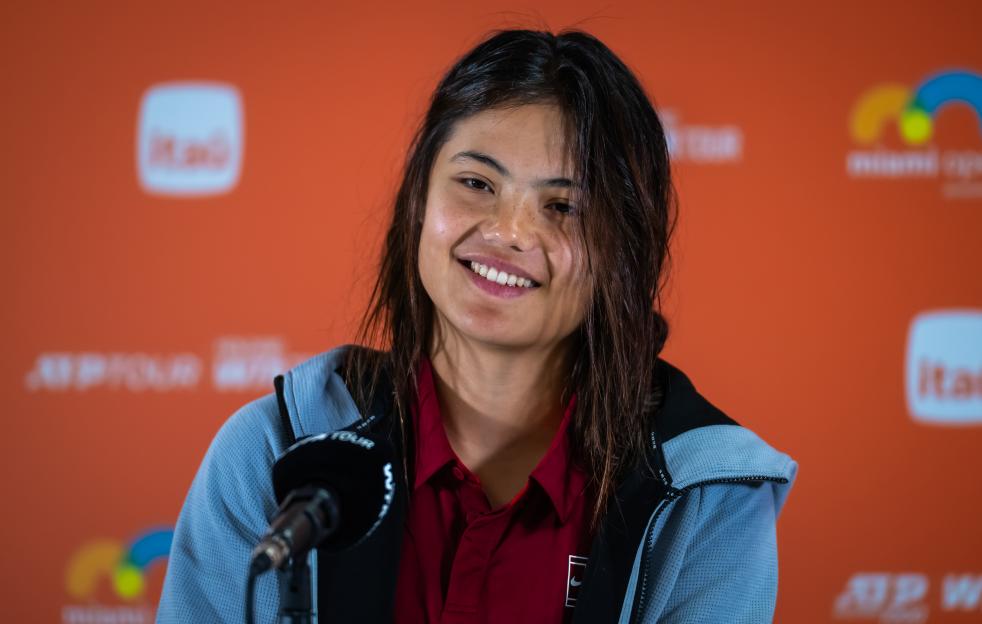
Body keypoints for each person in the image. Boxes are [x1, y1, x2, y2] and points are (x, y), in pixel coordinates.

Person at [157, 28, 798, 624]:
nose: (509, 233)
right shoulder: (275, 456)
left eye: (563, 206)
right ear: (418, 202)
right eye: (476, 183)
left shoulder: (703, 497)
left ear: (623, 254)